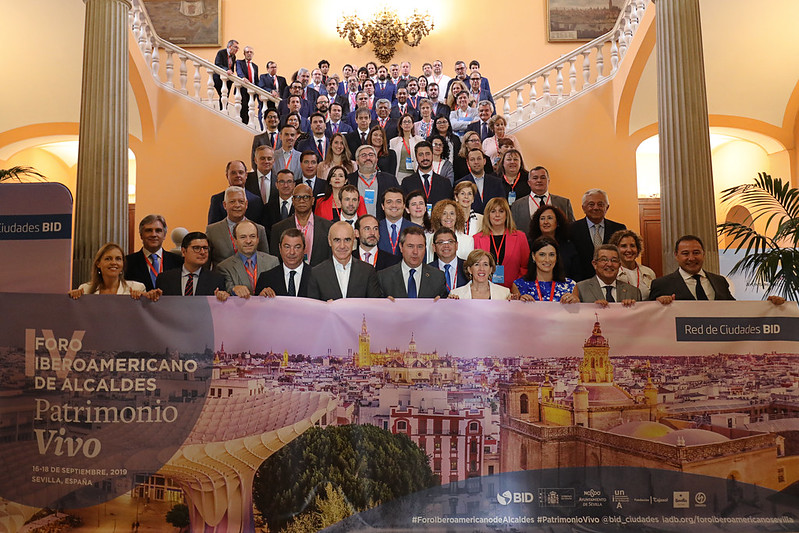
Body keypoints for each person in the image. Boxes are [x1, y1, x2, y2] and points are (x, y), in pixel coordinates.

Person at [649, 235, 740, 304]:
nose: (691, 258)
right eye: (685, 253)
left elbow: (732, 308)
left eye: (696, 253)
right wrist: (659, 303)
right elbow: (653, 316)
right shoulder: (661, 285)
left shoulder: (720, 281)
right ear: (676, 255)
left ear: (703, 254)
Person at [308, 221, 383, 300]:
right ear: (329, 241)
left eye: (347, 240)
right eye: (337, 240)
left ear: (353, 241)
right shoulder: (317, 273)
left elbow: (374, 306)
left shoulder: (368, 271)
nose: (342, 246)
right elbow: (313, 309)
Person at [569, 188, 627, 281]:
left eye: (600, 204)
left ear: (607, 207)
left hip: (612, 281)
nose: (596, 208)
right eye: (591, 204)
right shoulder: (571, 229)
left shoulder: (619, 229)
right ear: (583, 207)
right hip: (581, 283)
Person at [270, 183, 332, 266]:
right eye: (298, 197)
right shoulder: (278, 229)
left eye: (306, 197)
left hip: (319, 276)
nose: (302, 201)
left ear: (313, 200)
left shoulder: (328, 227)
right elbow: (276, 261)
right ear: (293, 201)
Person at [206, 186, 270, 267]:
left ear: (246, 204)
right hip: (222, 278)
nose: (237, 205)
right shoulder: (212, 231)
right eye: (232, 202)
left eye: (241, 201)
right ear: (224, 205)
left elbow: (266, 260)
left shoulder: (259, 229)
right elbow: (206, 265)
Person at [473, 197, 529, 289]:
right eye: (493, 211)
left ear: (507, 214)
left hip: (513, 292)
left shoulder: (520, 237)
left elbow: (525, 267)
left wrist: (517, 287)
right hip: (485, 291)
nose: (497, 215)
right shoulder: (477, 238)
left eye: (501, 211)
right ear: (488, 215)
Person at [378, 226, 449, 299]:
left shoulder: (438, 277)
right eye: (410, 246)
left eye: (420, 247)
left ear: (425, 249)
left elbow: (445, 307)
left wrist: (450, 301)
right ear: (401, 247)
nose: (415, 252)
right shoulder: (384, 277)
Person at [156, 232, 229, 299]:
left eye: (205, 248)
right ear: (183, 251)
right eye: (196, 248)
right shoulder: (165, 279)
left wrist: (223, 297)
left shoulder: (216, 280)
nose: (202, 252)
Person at [216, 220, 279, 298]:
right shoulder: (224, 267)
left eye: (252, 236)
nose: (248, 241)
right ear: (235, 240)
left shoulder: (273, 262)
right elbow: (227, 290)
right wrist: (234, 290)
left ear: (258, 239)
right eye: (243, 237)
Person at [69, 243, 155, 299]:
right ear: (98, 264)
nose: (114, 263)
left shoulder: (138, 288)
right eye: (108, 259)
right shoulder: (84, 289)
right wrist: (72, 297)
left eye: (118, 259)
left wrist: (145, 298)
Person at [511, 236, 578, 303]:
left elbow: (577, 312)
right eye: (542, 254)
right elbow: (515, 312)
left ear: (557, 257)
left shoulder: (570, 285)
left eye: (551, 255)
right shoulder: (519, 285)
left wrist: (576, 302)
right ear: (533, 256)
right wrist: (520, 303)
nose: (547, 260)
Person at [125, 215, 183, 291]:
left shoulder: (178, 262)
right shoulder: (127, 262)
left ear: (164, 235)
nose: (153, 235)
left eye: (158, 231)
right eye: (149, 230)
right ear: (141, 235)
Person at [510, 165, 575, 230]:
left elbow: (572, 227)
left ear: (548, 181)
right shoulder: (517, 205)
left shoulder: (564, 203)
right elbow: (512, 229)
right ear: (529, 183)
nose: (539, 180)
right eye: (535, 178)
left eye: (543, 177)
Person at [576, 244, 641, 306]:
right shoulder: (580, 289)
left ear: (619, 265)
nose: (609, 264)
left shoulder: (633, 292)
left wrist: (630, 308)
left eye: (614, 260)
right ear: (595, 264)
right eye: (604, 260)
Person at [255, 228, 313, 297]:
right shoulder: (266, 278)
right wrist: (261, 299)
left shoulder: (317, 277)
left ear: (304, 249)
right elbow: (257, 306)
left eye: (297, 247)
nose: (292, 252)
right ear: (280, 248)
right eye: (287, 247)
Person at [346, 145, 400, 218]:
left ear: (376, 160)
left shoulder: (390, 179)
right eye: (363, 155)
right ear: (357, 161)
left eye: (371, 155)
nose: (368, 158)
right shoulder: (348, 180)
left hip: (381, 224)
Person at [528, 205, 580, 280]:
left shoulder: (568, 246)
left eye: (550, 218)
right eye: (542, 218)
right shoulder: (530, 245)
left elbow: (576, 273)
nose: (545, 222)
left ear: (557, 222)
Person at [208, 160, 264, 225]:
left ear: (246, 175)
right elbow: (213, 228)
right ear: (227, 176)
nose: (238, 175)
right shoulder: (217, 200)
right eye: (233, 173)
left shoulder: (256, 200)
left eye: (241, 172)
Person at [400, 141, 453, 206]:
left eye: (427, 154)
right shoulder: (407, 182)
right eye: (421, 154)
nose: (425, 158)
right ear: (416, 157)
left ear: (432, 155)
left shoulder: (445, 183)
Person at [609, 229, 657, 300]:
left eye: (632, 246)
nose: (629, 250)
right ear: (616, 249)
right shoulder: (611, 273)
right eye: (624, 246)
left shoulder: (649, 273)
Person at [457, 148, 504, 214]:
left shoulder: (497, 182)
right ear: (468, 163)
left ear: (484, 161)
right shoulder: (460, 184)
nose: (476, 162)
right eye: (472, 159)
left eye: (479, 159)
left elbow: (502, 206)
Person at [377, 188, 418, 255]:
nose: (394, 205)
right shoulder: (376, 228)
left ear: (404, 205)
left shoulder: (416, 229)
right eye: (389, 202)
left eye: (398, 202)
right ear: (383, 206)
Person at [428, 226, 468, 290]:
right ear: (434, 247)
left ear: (456, 245)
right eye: (441, 242)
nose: (446, 246)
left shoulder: (468, 267)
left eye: (450, 242)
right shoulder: (427, 271)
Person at [389, 114, 423, 182]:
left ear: (413, 124)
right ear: (401, 125)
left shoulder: (419, 140)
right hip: (399, 174)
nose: (407, 124)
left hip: (415, 173)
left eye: (409, 122)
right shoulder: (393, 141)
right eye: (404, 122)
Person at [245, 146, 277, 216]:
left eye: (269, 158)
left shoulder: (279, 181)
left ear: (273, 161)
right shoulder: (246, 179)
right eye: (262, 158)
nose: (266, 161)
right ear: (255, 160)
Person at [234, 46, 258, 124]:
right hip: (243, 90)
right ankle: (243, 125)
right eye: (247, 52)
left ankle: (248, 124)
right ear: (244, 54)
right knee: (243, 109)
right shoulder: (239, 62)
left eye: (251, 52)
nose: (249, 54)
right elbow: (239, 71)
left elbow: (256, 79)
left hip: (252, 91)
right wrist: (243, 78)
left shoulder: (255, 66)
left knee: (249, 109)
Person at [213, 39, 238, 108]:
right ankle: (223, 111)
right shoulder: (221, 53)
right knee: (222, 96)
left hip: (228, 80)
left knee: (225, 97)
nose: (237, 49)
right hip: (219, 79)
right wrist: (227, 70)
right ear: (230, 46)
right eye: (235, 47)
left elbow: (231, 68)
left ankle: (224, 110)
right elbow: (217, 64)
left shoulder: (233, 56)